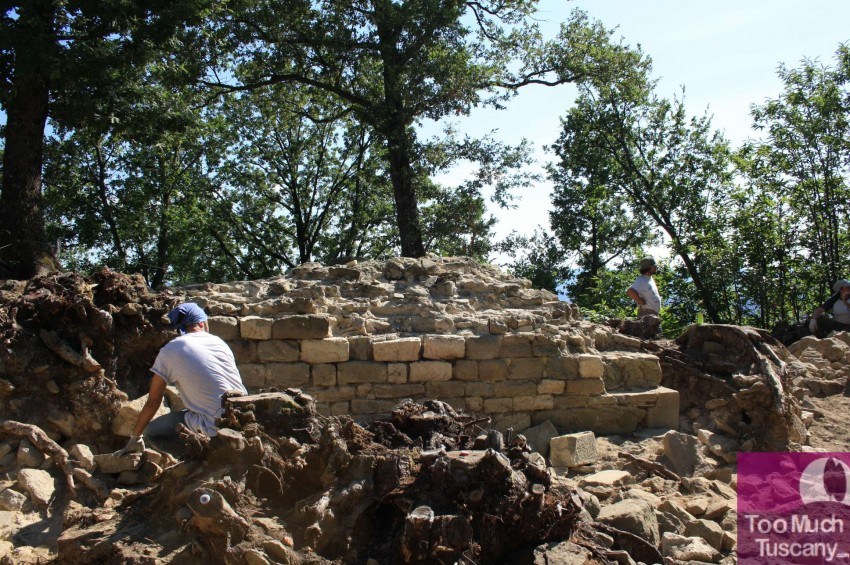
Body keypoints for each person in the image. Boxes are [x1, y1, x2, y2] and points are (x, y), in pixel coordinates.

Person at [121, 302, 247, 454]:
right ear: (201, 322)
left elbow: (153, 401)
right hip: (243, 418)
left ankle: (198, 460)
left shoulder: (170, 350)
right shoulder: (220, 343)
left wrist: (136, 437)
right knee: (189, 411)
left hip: (214, 426)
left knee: (151, 432)